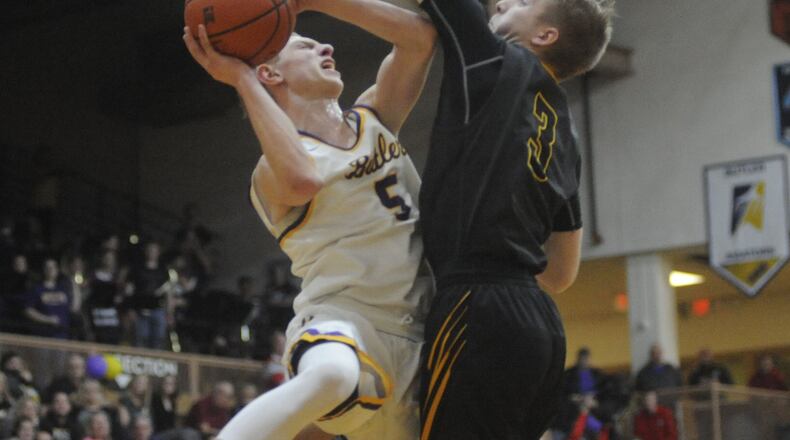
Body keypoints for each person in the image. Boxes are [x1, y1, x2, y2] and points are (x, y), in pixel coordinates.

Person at [182, 0, 436, 436]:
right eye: (304, 45)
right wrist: (242, 78)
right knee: (332, 375)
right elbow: (302, 180)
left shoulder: (375, 117)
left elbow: (420, 38)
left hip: (425, 329)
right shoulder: (272, 170)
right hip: (345, 321)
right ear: (271, 74)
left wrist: (317, 2)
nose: (326, 46)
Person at [414, 0, 614, 437]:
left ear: (544, 36)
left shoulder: (491, 57)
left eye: (522, 1)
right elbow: (562, 272)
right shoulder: (566, 131)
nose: (501, 1)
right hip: (540, 325)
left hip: (478, 303)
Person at [128, 242, 170, 349]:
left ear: (158, 253)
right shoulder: (138, 269)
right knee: (141, 337)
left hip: (158, 309)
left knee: (158, 338)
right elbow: (130, 290)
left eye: (154, 251)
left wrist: (169, 312)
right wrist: (130, 308)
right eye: (150, 250)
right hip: (141, 309)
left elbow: (168, 292)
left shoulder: (163, 271)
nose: (152, 253)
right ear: (146, 252)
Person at [24, 258, 71, 339]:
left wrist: (72, 278)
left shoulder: (63, 289)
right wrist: (47, 319)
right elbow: (28, 310)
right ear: (44, 270)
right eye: (48, 267)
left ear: (57, 270)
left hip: (62, 336)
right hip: (44, 336)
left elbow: (74, 307)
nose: (50, 270)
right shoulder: (37, 289)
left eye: (53, 267)